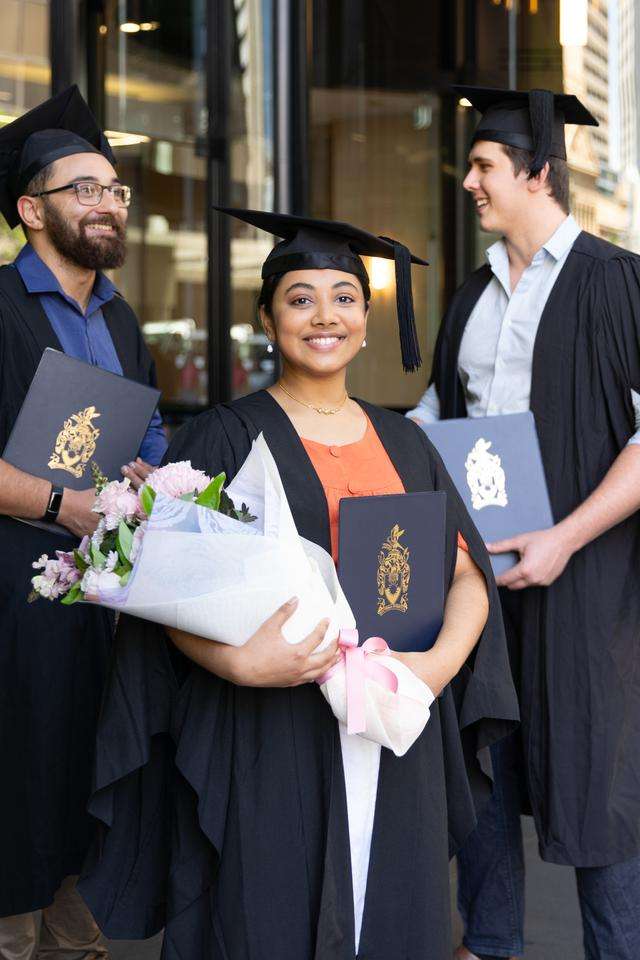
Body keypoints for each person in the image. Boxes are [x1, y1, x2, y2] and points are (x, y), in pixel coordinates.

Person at [78, 208, 518, 959]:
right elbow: (167, 596)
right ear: (268, 318)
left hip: (392, 726)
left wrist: (434, 671)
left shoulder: (408, 439)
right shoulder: (222, 435)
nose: (326, 316)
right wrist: (239, 664)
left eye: (345, 297)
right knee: (266, 916)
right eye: (301, 297)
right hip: (269, 732)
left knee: (392, 921)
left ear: (368, 319)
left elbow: (468, 578)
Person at [408, 86, 640, 960]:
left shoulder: (617, 283)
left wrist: (565, 537)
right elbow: (435, 416)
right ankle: (491, 944)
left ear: (537, 173)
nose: (468, 180)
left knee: (598, 776)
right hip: (479, 581)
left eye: (484, 166)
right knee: (485, 766)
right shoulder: (471, 298)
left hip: (589, 587)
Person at [0, 87, 167, 959]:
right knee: (18, 783)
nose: (108, 204)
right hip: (11, 607)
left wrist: (148, 475)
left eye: (116, 190)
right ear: (32, 210)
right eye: (85, 190)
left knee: (83, 779)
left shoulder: (121, 316)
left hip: (100, 605)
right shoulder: (0, 309)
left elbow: (147, 433)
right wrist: (64, 504)